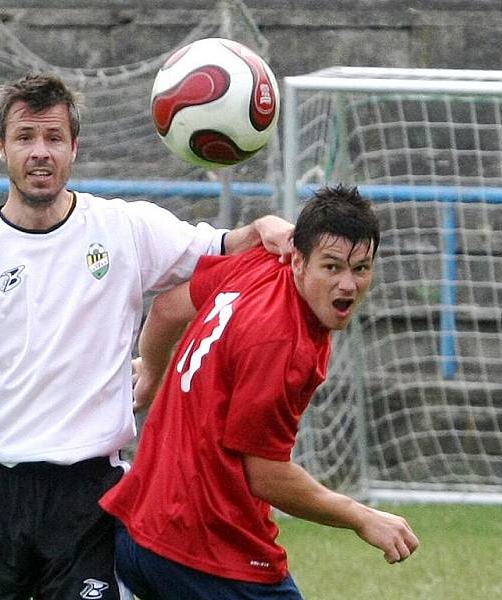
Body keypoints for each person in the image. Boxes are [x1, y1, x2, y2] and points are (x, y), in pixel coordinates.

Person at [0, 71, 293, 600]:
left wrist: (263, 226)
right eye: (25, 138)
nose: (41, 152)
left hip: (91, 493)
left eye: (53, 138)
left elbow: (223, 248)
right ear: (1, 148)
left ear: (73, 147)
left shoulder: (123, 229)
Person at [99, 185, 420, 600]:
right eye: (332, 266)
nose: (348, 284)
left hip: (141, 528)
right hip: (204, 547)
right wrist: (360, 516)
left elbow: (166, 309)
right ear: (300, 261)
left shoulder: (263, 263)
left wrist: (154, 372)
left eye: (361, 268)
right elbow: (266, 475)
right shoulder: (282, 345)